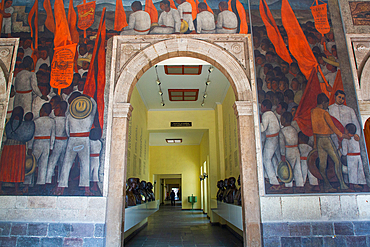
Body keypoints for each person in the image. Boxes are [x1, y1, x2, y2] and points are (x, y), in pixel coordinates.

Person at [56, 94, 97, 195]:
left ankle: (61, 187)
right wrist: (88, 98)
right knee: (85, 164)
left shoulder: (70, 116)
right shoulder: (89, 116)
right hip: (84, 140)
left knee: (66, 163)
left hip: (73, 140)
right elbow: (94, 106)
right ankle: (86, 189)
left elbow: (67, 131)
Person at [311, 93, 350, 192]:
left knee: (322, 164)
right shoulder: (325, 113)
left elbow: (314, 129)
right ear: (323, 103)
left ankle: (327, 185)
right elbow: (333, 127)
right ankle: (342, 184)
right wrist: (342, 135)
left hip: (319, 140)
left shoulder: (313, 112)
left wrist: (315, 143)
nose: (327, 106)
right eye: (326, 104)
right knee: (337, 161)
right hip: (326, 140)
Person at [0, 107, 34, 194]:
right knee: (17, 168)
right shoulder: (23, 124)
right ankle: (16, 189)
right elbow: (27, 135)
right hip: (19, 148)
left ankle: (1, 188)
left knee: (5, 167)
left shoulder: (8, 124)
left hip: (8, 146)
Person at [28, 103, 55, 186]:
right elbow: (52, 136)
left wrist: (29, 147)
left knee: (32, 163)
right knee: (43, 164)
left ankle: (28, 183)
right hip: (46, 144)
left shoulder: (35, 121)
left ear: (42, 110)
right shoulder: (52, 121)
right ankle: (41, 183)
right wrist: (51, 147)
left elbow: (32, 136)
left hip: (37, 143)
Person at [279, 112, 304, 191]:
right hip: (296, 150)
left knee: (288, 169)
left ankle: (288, 185)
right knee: (297, 168)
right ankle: (300, 184)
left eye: (282, 119)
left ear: (284, 120)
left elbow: (282, 144)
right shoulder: (294, 129)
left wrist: (283, 154)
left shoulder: (282, 131)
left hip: (288, 151)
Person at [260, 99, 281, 190]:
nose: (261, 108)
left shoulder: (266, 114)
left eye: (261, 107)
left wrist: (256, 122)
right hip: (276, 138)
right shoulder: (272, 114)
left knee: (266, 159)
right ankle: (276, 176)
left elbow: (262, 128)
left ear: (265, 107)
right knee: (273, 159)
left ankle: (274, 182)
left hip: (271, 139)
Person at [46, 101, 68, 184]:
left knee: (54, 162)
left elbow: (52, 135)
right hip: (61, 142)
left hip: (58, 143)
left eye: (57, 108)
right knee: (55, 162)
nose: (54, 110)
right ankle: (52, 181)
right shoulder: (64, 120)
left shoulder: (55, 120)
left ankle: (50, 181)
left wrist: (51, 147)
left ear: (62, 110)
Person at [341, 123, 367, 190]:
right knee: (360, 171)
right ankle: (362, 186)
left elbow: (344, 152)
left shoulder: (345, 140)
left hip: (351, 157)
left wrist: (340, 148)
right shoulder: (357, 138)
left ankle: (352, 186)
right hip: (358, 156)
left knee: (352, 172)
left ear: (347, 130)